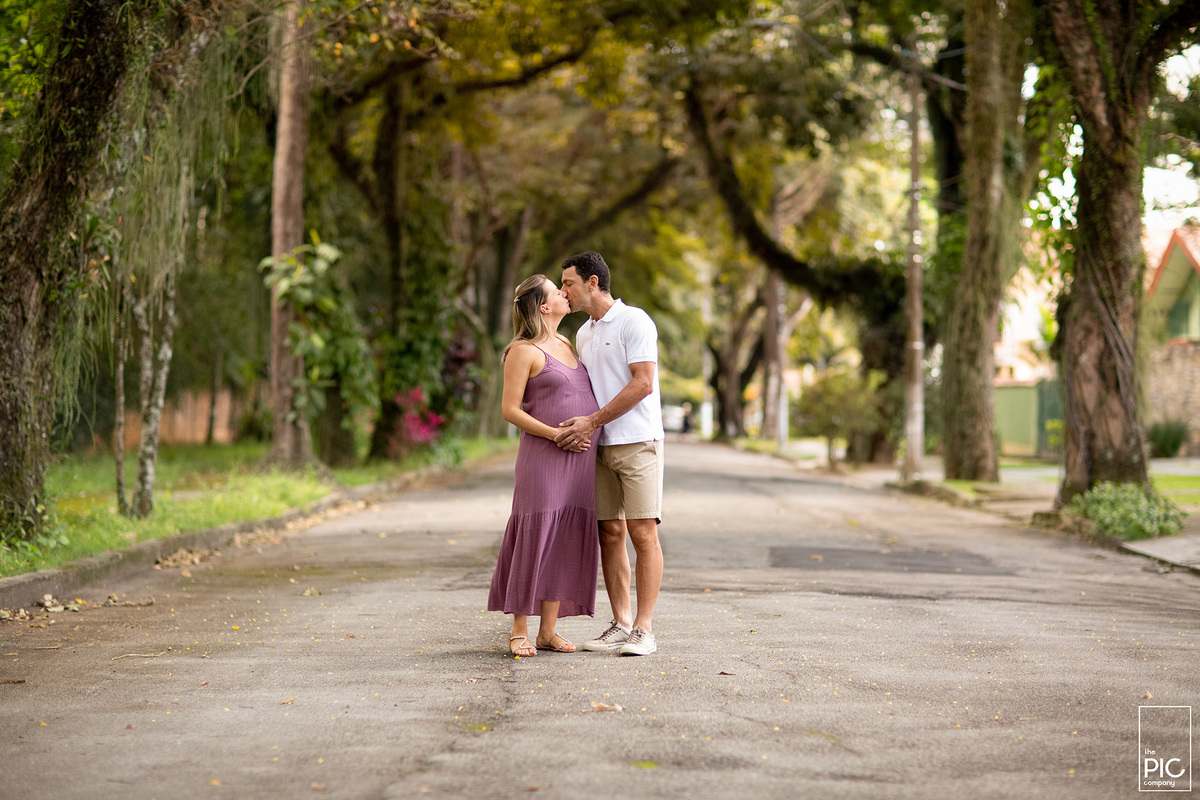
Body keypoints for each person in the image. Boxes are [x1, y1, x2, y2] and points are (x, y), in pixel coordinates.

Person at [556, 251, 665, 657]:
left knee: (642, 533)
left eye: (568, 283)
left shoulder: (634, 320)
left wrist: (592, 421)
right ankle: (620, 623)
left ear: (593, 283)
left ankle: (644, 629)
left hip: (638, 441)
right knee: (610, 533)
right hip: (597, 447)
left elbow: (643, 384)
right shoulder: (583, 333)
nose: (564, 290)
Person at [487, 275, 601, 657]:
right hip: (544, 458)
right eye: (557, 291)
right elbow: (509, 410)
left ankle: (548, 631)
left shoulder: (568, 343)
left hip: (580, 460)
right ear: (543, 307)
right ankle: (520, 628)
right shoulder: (523, 350)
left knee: (565, 535)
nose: (564, 293)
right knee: (537, 534)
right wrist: (555, 435)